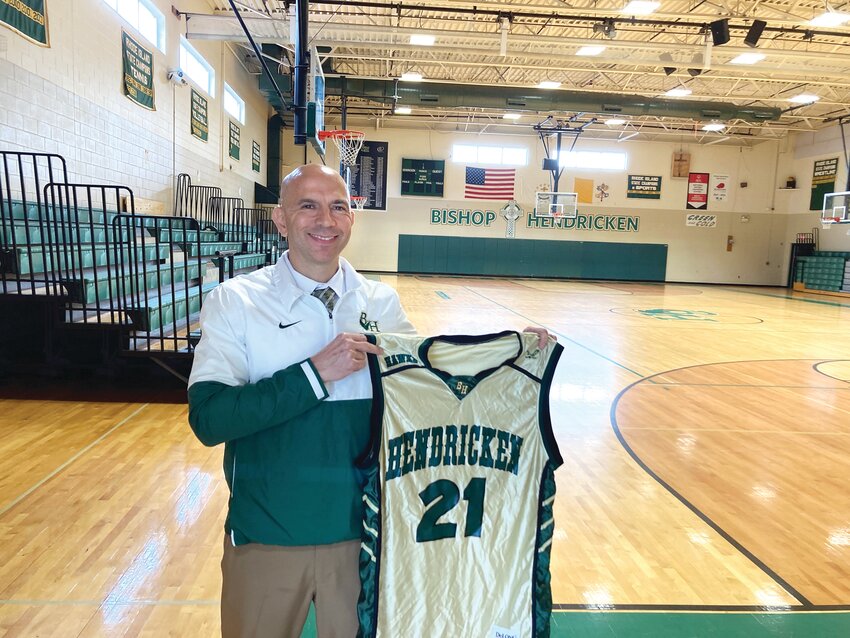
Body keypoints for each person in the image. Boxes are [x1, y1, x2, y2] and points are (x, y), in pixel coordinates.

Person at [188, 163, 551, 638]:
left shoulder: (381, 304)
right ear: (281, 219)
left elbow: (431, 397)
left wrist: (511, 358)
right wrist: (314, 374)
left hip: (368, 541)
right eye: (308, 206)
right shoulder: (234, 301)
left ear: (351, 219)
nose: (326, 220)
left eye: (338, 207)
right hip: (268, 536)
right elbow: (211, 420)